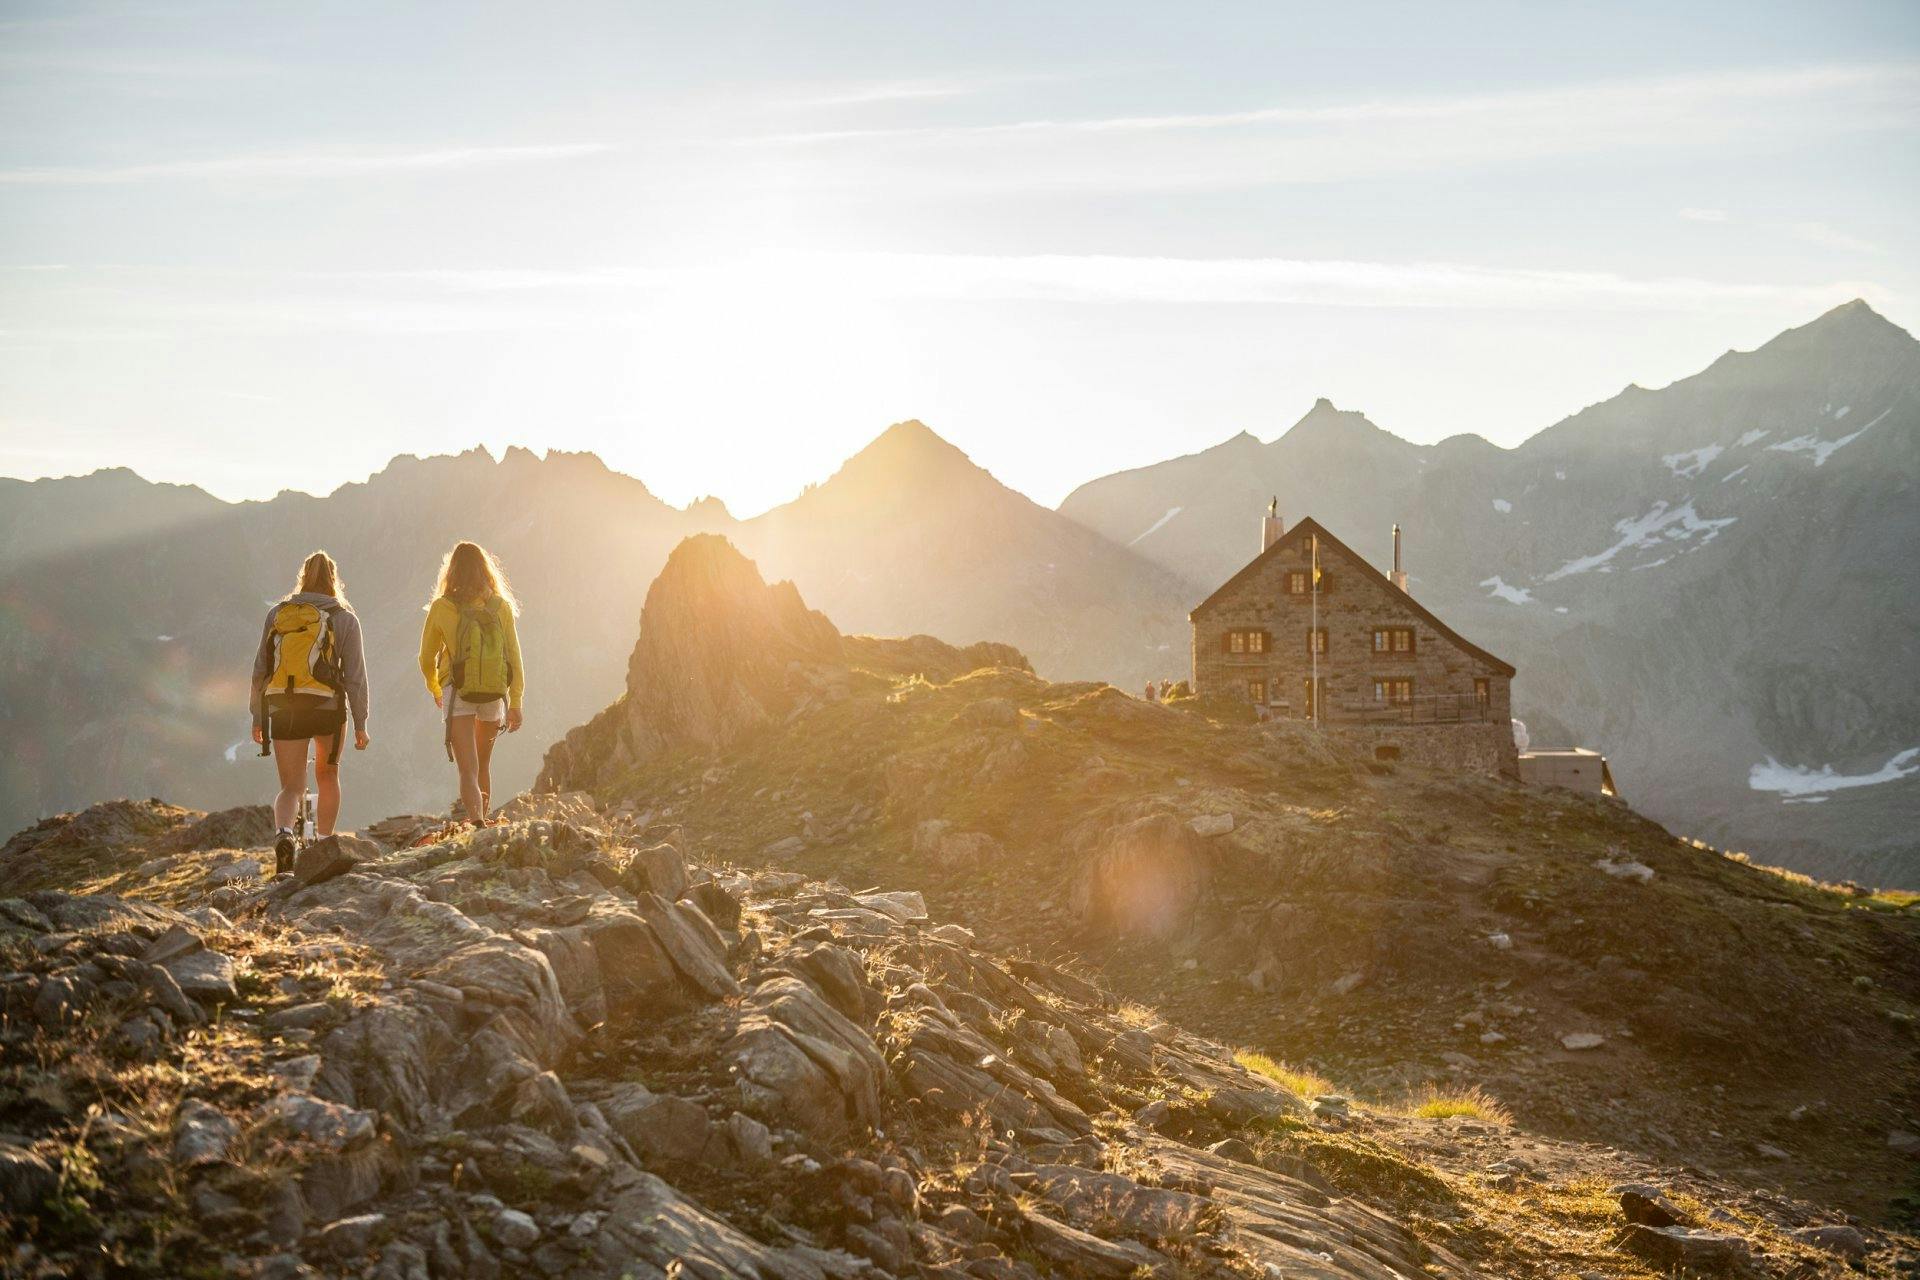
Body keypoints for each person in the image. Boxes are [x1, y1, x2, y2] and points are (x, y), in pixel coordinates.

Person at [250, 550, 370, 871]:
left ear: (302, 577)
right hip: (328, 708)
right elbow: (355, 677)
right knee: (327, 775)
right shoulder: (344, 618)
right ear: (334, 579)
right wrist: (360, 723)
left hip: (285, 707)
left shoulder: (278, 614)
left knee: (291, 787)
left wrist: (258, 717)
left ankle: (285, 834)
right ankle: (324, 842)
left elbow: (261, 668)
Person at [419, 541, 524, 825]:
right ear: (485, 570)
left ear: (451, 572)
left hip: (457, 691)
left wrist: (435, 687)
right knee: (484, 764)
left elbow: (425, 657)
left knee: (468, 768)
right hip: (493, 691)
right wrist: (515, 702)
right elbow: (514, 657)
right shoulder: (500, 606)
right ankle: (485, 824)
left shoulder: (442, 607)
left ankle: (476, 821)